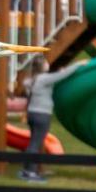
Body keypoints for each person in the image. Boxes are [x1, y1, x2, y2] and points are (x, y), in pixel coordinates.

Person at [19, 55, 81, 183]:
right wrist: (79, 64)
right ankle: (30, 172)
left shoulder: (31, 80)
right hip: (42, 114)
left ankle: (27, 169)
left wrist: (59, 72)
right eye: (46, 63)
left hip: (32, 113)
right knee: (36, 143)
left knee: (33, 142)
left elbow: (54, 77)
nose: (48, 64)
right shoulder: (44, 79)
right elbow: (63, 76)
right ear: (42, 66)